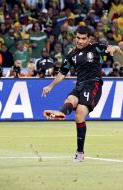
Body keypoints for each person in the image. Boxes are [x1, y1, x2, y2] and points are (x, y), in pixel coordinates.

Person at [41, 26, 121, 162]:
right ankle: (62, 114)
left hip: (93, 84)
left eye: (83, 39)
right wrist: (50, 86)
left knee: (79, 114)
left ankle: (79, 150)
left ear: (89, 39)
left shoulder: (95, 47)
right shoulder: (71, 54)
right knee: (71, 99)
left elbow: (114, 48)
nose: (80, 41)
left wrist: (114, 48)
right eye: (78, 38)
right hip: (80, 85)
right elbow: (62, 74)